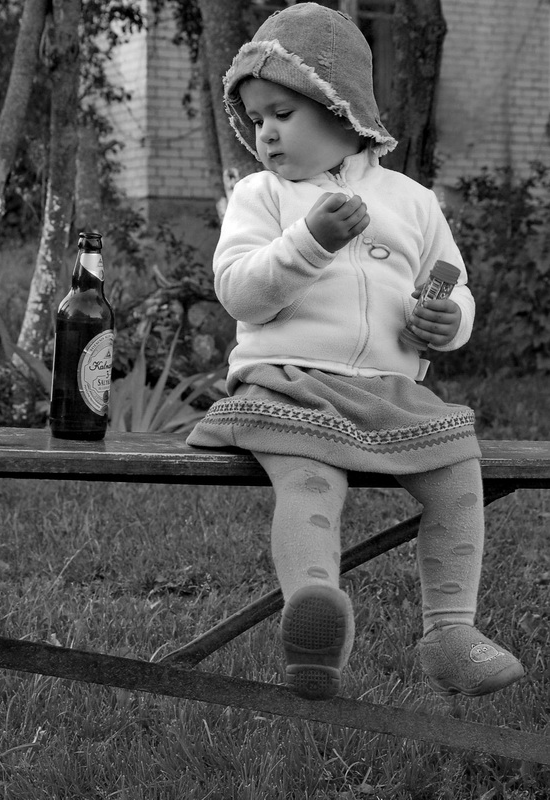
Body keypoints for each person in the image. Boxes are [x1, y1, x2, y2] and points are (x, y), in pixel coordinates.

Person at [187, 2, 524, 701]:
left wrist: (449, 320)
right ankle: (314, 609)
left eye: (283, 112)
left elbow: (454, 283)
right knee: (310, 483)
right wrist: (309, 242)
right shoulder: (262, 196)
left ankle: (450, 633)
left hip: (391, 391)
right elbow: (241, 293)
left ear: (343, 111)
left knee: (458, 476)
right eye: (256, 117)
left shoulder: (412, 201)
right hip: (291, 384)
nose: (266, 132)